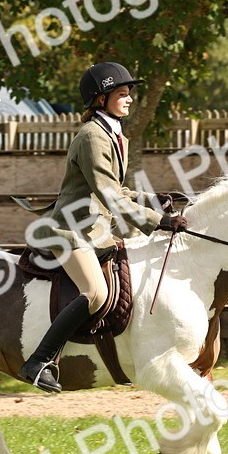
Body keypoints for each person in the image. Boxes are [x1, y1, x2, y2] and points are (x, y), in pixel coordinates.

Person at [19, 62, 182, 393]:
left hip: (95, 229)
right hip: (70, 230)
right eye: (122, 94)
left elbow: (117, 190)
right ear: (100, 98)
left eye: (129, 94)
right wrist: (159, 222)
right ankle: (40, 361)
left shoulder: (112, 133)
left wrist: (154, 200)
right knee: (95, 293)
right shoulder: (93, 136)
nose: (129, 99)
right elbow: (109, 196)